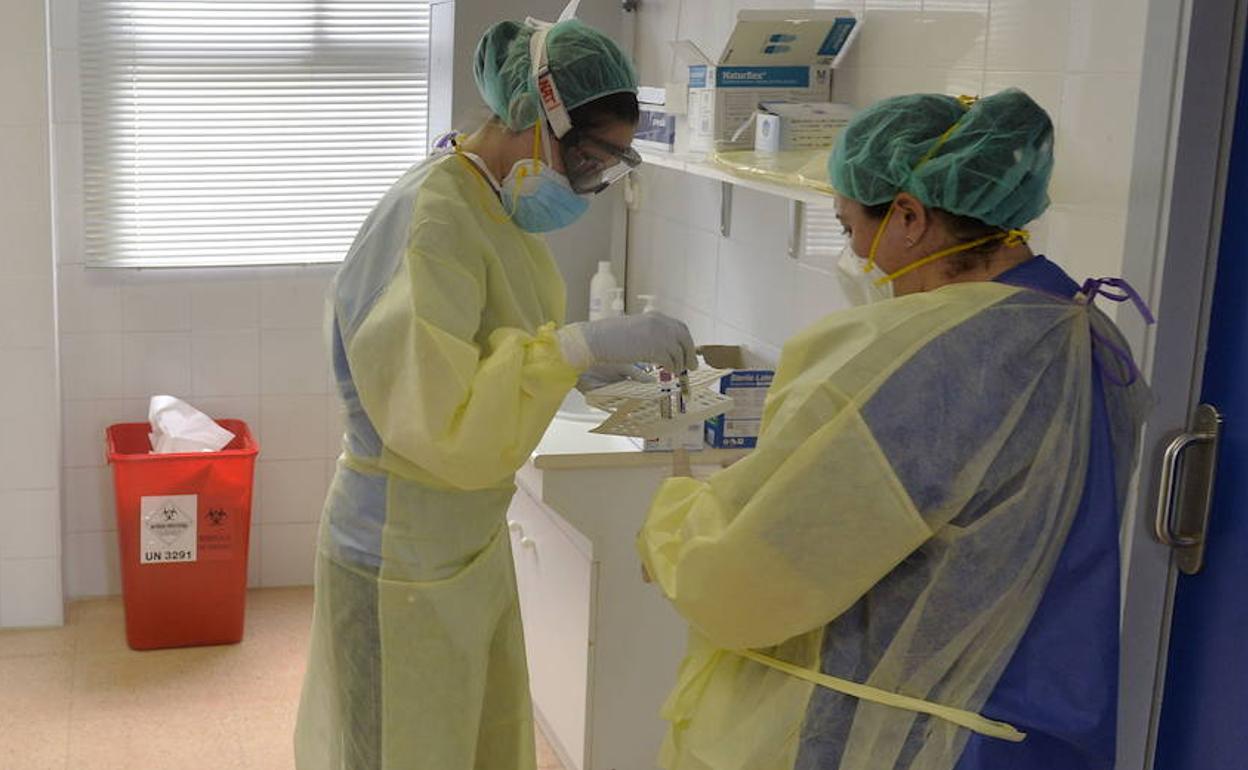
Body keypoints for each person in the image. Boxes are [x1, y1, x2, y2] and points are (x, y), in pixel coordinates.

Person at [636, 89, 1153, 770]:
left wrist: (675, 531)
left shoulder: (937, 357)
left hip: (916, 734)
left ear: (908, 216)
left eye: (851, 228)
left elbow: (753, 576)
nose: (857, 257)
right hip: (1044, 733)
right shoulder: (1093, 336)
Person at [294, 12, 697, 770]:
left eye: (610, 163)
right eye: (589, 155)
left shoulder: (491, 204)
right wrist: (575, 347)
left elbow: (488, 346)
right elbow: (443, 421)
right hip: (402, 553)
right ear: (533, 115)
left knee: (474, 743)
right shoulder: (433, 219)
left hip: (461, 544)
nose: (589, 180)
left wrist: (579, 362)